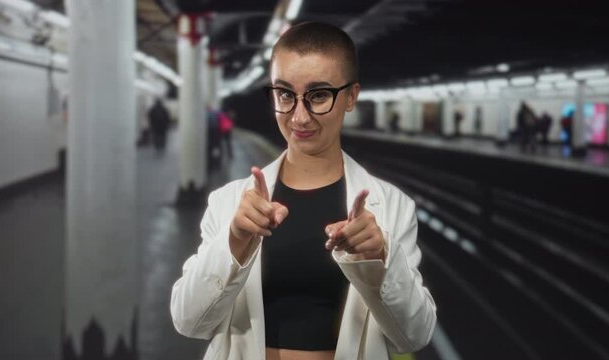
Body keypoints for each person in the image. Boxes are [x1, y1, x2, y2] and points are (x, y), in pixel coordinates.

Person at [170, 22, 436, 360]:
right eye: (285, 94)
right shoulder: (229, 203)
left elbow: (414, 336)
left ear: (351, 96)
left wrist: (381, 260)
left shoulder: (394, 207)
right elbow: (188, 321)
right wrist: (234, 240)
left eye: (319, 95)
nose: (299, 116)